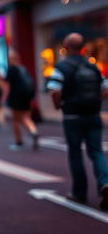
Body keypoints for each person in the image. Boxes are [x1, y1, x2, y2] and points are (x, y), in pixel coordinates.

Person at [47, 33, 108, 210]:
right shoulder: (92, 66)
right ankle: (104, 183)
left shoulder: (61, 67)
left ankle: (79, 193)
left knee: (75, 153)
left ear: (65, 47)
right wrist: (97, 100)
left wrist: (58, 105)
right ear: (82, 48)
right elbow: (106, 89)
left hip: (72, 116)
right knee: (96, 152)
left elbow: (54, 91)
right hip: (93, 115)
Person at [0, 49, 39, 151]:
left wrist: (3, 99)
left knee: (16, 120)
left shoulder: (11, 70)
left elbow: (7, 86)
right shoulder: (22, 69)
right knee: (26, 117)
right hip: (26, 97)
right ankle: (33, 130)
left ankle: (18, 142)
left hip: (15, 98)